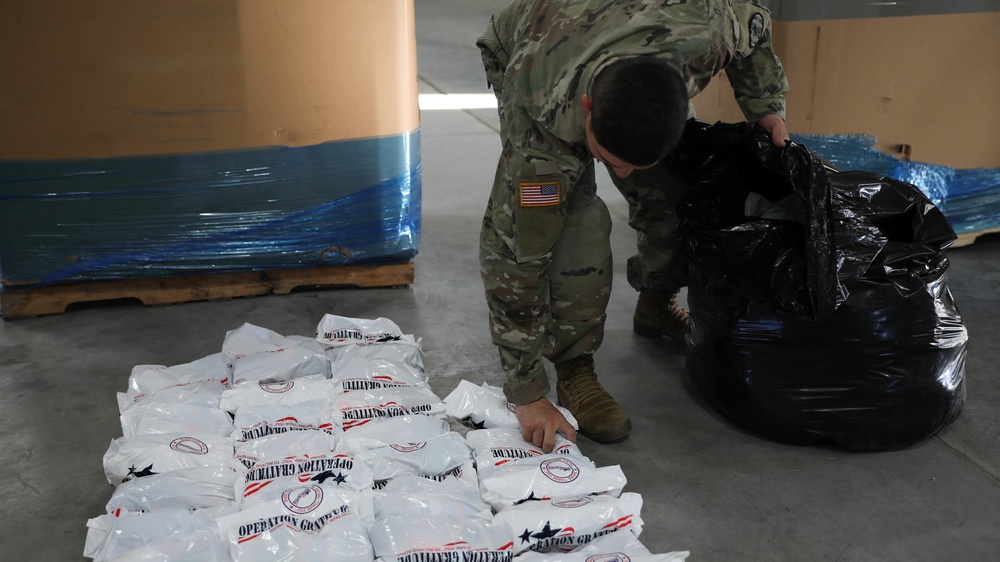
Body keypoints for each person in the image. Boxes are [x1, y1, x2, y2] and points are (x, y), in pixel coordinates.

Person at [476, 0, 790, 453]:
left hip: (634, 29)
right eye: (611, 161)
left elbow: (753, 29)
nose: (620, 175)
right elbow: (513, 260)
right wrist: (526, 392)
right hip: (537, 43)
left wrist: (765, 105)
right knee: (573, 233)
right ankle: (574, 367)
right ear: (586, 108)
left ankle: (656, 302)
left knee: (676, 193)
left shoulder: (711, 29)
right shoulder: (542, 123)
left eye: (631, 164)